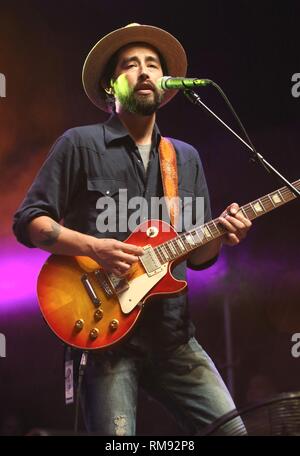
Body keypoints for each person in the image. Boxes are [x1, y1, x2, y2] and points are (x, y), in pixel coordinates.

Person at [13, 23, 252, 436]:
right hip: (104, 336)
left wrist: (223, 233)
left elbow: (197, 259)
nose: (144, 72)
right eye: (131, 65)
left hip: (173, 337)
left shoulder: (184, 157)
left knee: (234, 433)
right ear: (110, 86)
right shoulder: (78, 144)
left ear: (167, 83)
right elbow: (29, 222)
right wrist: (95, 247)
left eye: (153, 65)